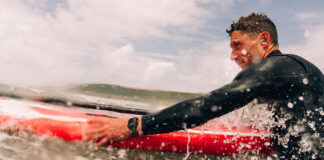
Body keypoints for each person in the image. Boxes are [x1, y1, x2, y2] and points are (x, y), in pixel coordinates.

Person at [85, 13, 324, 159]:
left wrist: (135, 125)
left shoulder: (269, 70)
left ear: (263, 39)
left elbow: (207, 106)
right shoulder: (299, 71)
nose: (232, 55)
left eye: (236, 45)